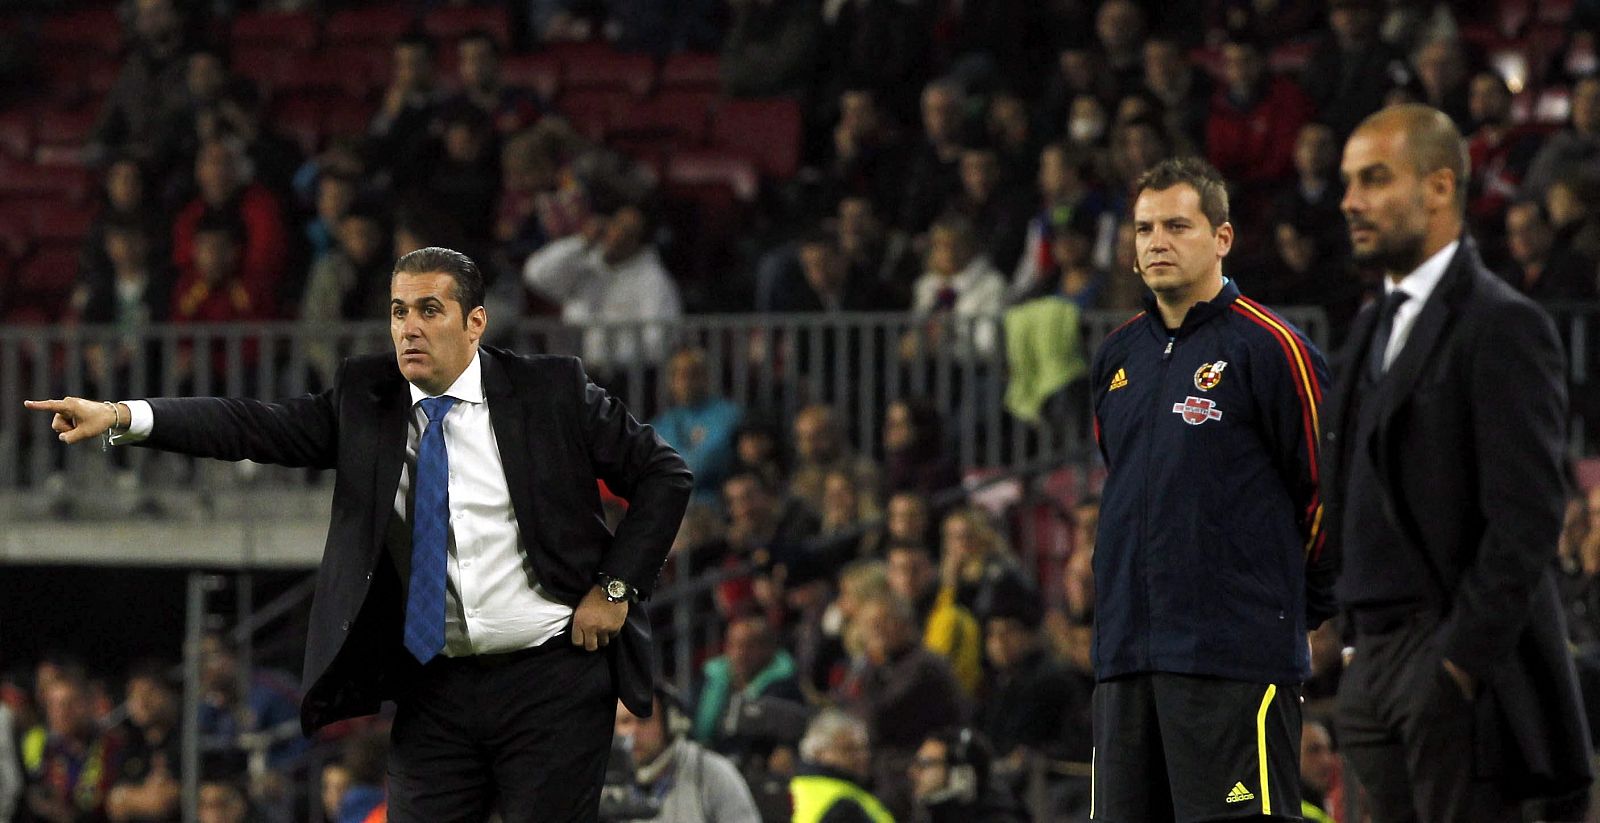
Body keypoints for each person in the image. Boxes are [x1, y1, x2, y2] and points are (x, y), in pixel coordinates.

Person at [25, 246, 694, 822]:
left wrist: (615, 586)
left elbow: (665, 474)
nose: (409, 326)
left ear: (475, 322)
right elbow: (250, 423)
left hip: (551, 677)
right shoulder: (364, 399)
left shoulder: (550, 390)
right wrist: (122, 413)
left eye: (429, 310)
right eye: (399, 310)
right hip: (435, 685)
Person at [1327, 103, 1594, 821]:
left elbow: (1530, 515)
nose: (1351, 200)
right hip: (1371, 664)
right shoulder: (1367, 328)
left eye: (1375, 179)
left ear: (1440, 188)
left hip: (1446, 666)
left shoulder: (1503, 323)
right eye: (1348, 182)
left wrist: (1456, 662)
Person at [1087, 155, 1334, 821]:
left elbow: (1325, 495)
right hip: (1127, 658)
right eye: (1143, 229)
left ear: (1221, 238)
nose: (1156, 242)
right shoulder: (1117, 356)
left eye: (1176, 225)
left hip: (1234, 657)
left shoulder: (1275, 347)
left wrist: (1287, 609)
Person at [613, 689, 761, 822]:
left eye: (644, 721)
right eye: (625, 722)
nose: (633, 732)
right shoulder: (606, 780)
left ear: (670, 724)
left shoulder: (713, 773)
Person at [788, 710, 893, 823]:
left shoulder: (794, 787)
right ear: (818, 753)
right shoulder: (843, 806)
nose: (862, 756)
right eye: (849, 750)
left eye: (864, 748)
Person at [908, 727, 1026, 823]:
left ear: (961, 774)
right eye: (915, 763)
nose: (913, 771)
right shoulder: (931, 815)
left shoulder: (999, 818)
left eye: (925, 764)